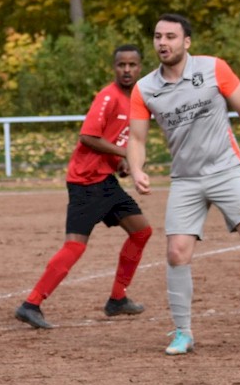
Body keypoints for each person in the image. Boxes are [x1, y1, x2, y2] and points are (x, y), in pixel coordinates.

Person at [126, 13, 240, 355]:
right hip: (185, 179)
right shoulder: (145, 88)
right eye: (157, 37)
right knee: (176, 253)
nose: (162, 43)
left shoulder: (214, 68)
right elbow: (136, 138)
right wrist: (136, 169)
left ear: (186, 42)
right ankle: (183, 333)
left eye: (170, 36)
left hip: (226, 170)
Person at [14, 44, 153, 329]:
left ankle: (117, 300)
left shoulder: (137, 100)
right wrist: (124, 154)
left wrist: (121, 164)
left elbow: (119, 142)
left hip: (106, 181)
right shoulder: (108, 96)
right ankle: (31, 303)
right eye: (121, 65)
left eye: (132, 65)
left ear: (141, 67)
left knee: (141, 232)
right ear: (114, 68)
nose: (126, 70)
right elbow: (88, 136)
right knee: (75, 246)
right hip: (86, 182)